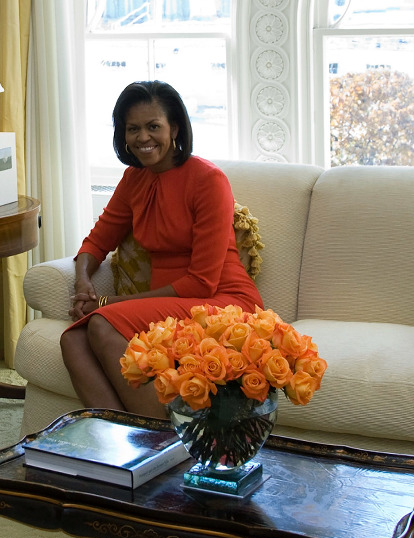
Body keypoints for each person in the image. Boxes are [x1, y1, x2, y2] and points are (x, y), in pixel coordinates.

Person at [60, 81, 263, 419]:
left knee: (100, 323)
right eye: (133, 128)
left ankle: (159, 442)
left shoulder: (208, 180)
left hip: (220, 302)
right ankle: (121, 445)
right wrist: (83, 282)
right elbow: (96, 242)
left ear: (175, 129)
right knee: (72, 340)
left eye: (153, 126)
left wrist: (108, 303)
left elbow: (201, 283)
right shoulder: (134, 179)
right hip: (168, 305)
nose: (143, 137)